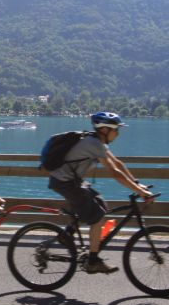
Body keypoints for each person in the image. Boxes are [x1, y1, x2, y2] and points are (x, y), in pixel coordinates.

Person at [47, 111, 154, 274]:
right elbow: (115, 172)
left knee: (101, 204)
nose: (118, 133)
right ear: (105, 130)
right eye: (116, 129)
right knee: (97, 217)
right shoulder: (94, 144)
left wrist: (138, 184)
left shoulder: (98, 143)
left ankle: (67, 234)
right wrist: (139, 191)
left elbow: (118, 163)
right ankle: (92, 261)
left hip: (72, 181)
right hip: (64, 182)